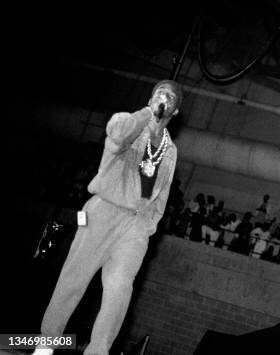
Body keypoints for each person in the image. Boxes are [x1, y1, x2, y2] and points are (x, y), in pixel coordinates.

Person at [34, 80, 183, 355]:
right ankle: (46, 343)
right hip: (103, 209)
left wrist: (148, 226)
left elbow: (162, 196)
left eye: (171, 96)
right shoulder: (128, 121)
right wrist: (148, 113)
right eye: (160, 92)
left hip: (135, 226)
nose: (165, 96)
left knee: (119, 291)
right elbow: (116, 134)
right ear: (151, 98)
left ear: (175, 111)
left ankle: (98, 352)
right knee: (73, 279)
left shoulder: (171, 151)